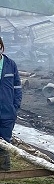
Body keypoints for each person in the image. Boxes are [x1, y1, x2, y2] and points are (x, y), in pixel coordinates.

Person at [0, 36, 22, 170]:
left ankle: (4, 169)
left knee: (5, 141)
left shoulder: (11, 64)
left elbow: (17, 87)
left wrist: (15, 107)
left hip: (7, 112)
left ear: (1, 47)